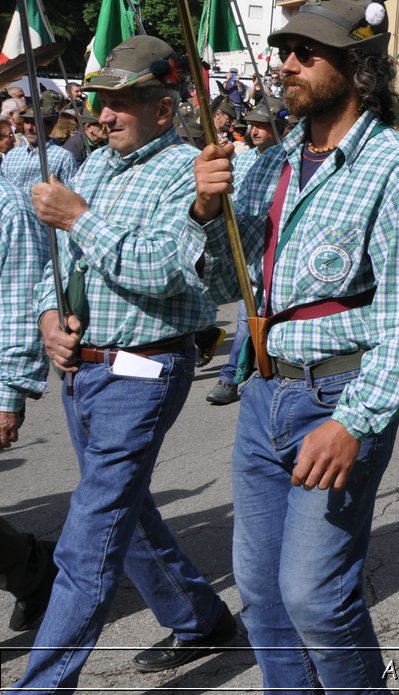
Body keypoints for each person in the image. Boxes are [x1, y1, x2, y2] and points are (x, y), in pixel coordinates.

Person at [189, 0, 399, 692]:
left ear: (357, 69)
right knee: (263, 596)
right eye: (284, 49)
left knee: (314, 596)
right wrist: (207, 216)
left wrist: (357, 422)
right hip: (264, 394)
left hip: (337, 400)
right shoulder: (270, 162)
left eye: (307, 52)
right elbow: (223, 285)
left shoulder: (397, 169)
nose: (287, 63)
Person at [12, 36, 238, 691]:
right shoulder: (99, 165)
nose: (102, 115)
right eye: (99, 102)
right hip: (83, 370)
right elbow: (58, 266)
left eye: (120, 104)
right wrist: (51, 319)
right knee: (124, 509)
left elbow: (171, 272)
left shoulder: (188, 172)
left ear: (164, 111)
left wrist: (80, 218)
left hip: (142, 372)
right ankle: (198, 615)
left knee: (87, 540)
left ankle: (41, 686)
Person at [206, 96, 287, 406]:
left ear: (279, 128)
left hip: (273, 255)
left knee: (248, 321)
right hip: (244, 254)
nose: (254, 131)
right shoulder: (242, 160)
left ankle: (230, 377)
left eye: (262, 126)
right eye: (252, 124)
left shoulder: (289, 162)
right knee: (248, 319)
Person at [0, 172, 53, 634]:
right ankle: (32, 568)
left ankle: (33, 569)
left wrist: (7, 394)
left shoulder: (9, 208)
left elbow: (18, 303)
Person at [2, 91, 77, 191]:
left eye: (35, 123)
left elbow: (70, 194)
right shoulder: (12, 155)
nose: (29, 128)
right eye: (27, 122)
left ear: (50, 127)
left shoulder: (63, 157)